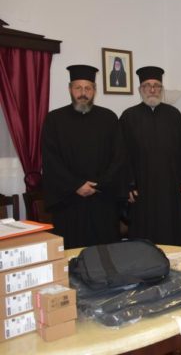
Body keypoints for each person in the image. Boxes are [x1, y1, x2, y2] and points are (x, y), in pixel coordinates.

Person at [42, 65, 126, 249]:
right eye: (78, 88)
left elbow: (119, 157)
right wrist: (76, 185)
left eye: (88, 88)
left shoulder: (109, 118)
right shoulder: (54, 120)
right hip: (69, 201)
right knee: (72, 253)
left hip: (103, 200)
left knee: (106, 252)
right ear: (70, 89)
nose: (83, 93)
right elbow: (51, 160)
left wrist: (99, 184)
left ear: (94, 90)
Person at [120, 66, 181, 246]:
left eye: (157, 86)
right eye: (147, 85)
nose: (152, 90)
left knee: (171, 238)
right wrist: (128, 185)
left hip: (170, 190)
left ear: (161, 89)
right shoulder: (128, 117)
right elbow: (121, 155)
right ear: (140, 90)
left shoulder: (174, 115)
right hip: (141, 192)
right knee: (143, 242)